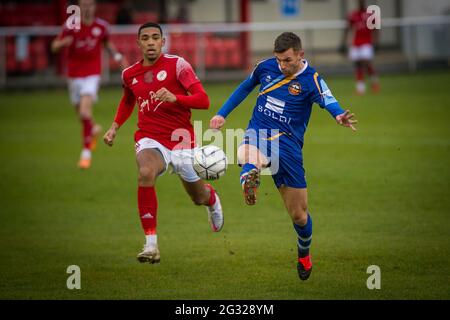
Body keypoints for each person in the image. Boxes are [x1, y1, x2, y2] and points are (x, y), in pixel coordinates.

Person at [209, 32, 357, 280]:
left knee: (299, 215)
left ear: (301, 54)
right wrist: (222, 113)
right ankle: (249, 176)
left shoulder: (312, 80)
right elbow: (245, 87)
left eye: (287, 60)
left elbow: (329, 101)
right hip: (259, 129)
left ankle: (304, 253)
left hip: (289, 145)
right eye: (279, 60)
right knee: (246, 150)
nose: (282, 65)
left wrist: (339, 115)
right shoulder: (265, 68)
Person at [103, 22, 224, 264]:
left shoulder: (178, 65)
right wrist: (115, 126)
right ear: (138, 43)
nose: (150, 42)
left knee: (197, 197)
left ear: (162, 42)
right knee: (146, 172)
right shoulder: (129, 74)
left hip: (182, 141)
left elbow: (204, 100)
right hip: (149, 138)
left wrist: (175, 98)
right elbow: (128, 100)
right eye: (145, 38)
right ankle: (151, 245)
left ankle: (211, 200)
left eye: (155, 37)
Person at [51, 0, 128, 169]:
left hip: (92, 74)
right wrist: (63, 43)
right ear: (79, 7)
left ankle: (85, 154)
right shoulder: (70, 26)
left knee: (85, 111)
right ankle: (93, 129)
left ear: (94, 7)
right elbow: (54, 46)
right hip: (73, 75)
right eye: (84, 5)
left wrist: (118, 58)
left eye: (90, 5)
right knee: (82, 115)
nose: (87, 8)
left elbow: (108, 44)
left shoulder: (101, 26)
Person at [341, 0, 380, 95]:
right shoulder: (353, 15)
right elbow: (348, 28)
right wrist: (343, 42)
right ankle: (360, 88)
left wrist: (376, 41)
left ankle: (374, 83)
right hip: (356, 43)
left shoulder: (370, 14)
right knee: (357, 65)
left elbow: (376, 29)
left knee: (366, 63)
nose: (360, 3)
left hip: (367, 43)